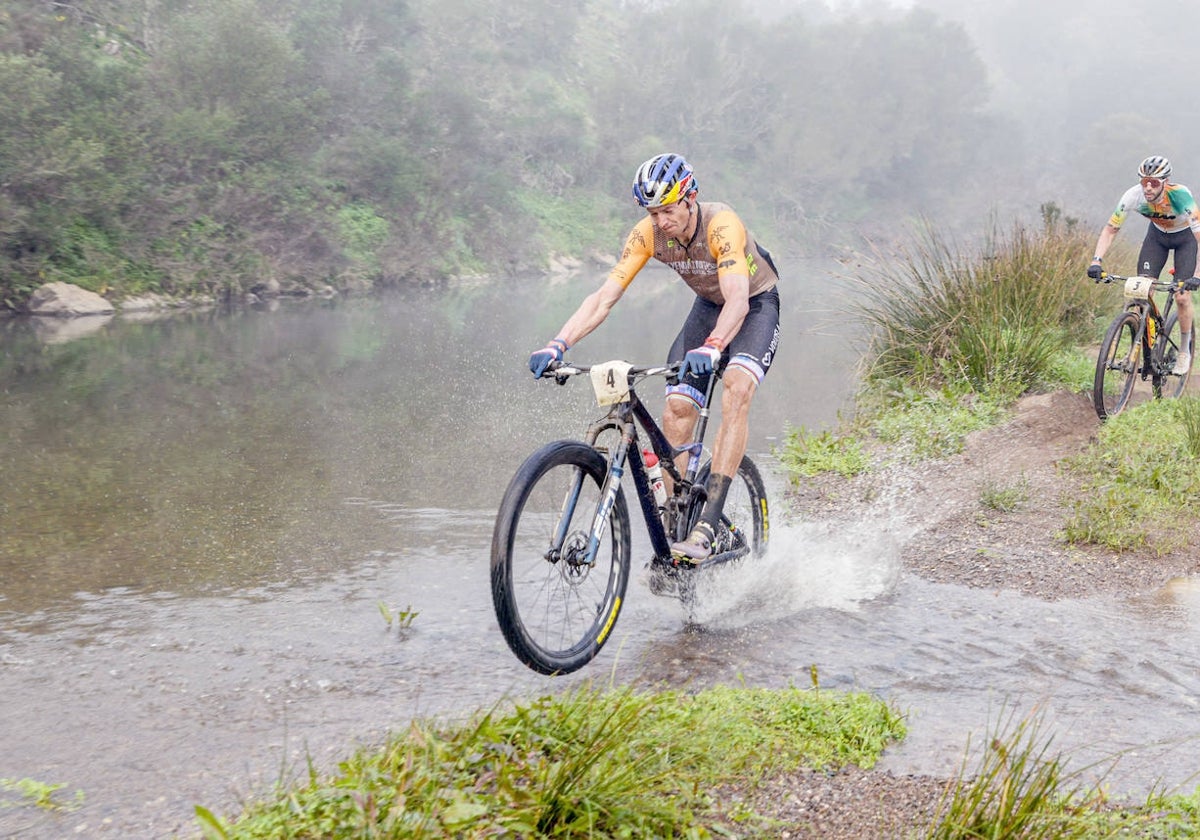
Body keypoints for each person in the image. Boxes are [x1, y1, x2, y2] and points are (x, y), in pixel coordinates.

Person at [527, 153, 781, 562]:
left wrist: (714, 346)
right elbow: (605, 297)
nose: (660, 221)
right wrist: (559, 343)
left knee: (736, 388)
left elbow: (736, 299)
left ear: (690, 198)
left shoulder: (721, 225)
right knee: (677, 409)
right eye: (652, 212)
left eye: (667, 210)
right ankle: (673, 525)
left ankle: (708, 524)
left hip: (752, 304)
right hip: (707, 306)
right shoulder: (647, 235)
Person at [1088, 155, 1200, 374]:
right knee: (1140, 291)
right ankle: (1142, 344)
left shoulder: (1180, 196)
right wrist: (1096, 261)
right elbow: (1110, 229)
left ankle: (1184, 350)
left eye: (1155, 182)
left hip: (1185, 240)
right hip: (1157, 238)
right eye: (1144, 181)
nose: (1148, 187)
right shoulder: (1133, 196)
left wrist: (1197, 273)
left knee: (1182, 296)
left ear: (1165, 182)